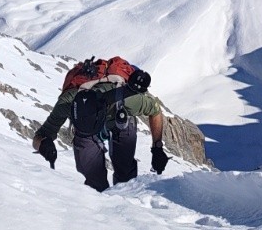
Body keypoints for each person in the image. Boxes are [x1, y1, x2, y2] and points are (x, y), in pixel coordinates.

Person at [33, 55, 169, 192]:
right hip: (85, 130)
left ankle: (125, 191)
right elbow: (40, 136)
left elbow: (155, 110)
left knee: (125, 172)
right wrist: (44, 145)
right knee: (94, 180)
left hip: (117, 117)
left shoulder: (125, 98)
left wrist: (157, 148)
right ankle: (101, 197)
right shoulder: (68, 103)